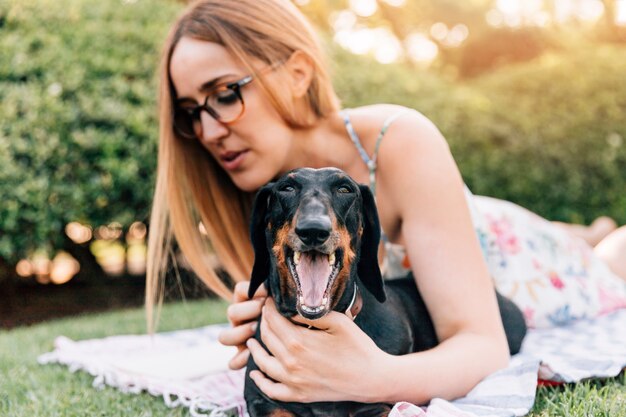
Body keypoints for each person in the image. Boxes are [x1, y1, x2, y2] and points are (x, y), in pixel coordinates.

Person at [146, 0, 626, 406]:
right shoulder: (270, 197)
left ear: (296, 74)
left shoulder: (397, 140)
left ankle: (595, 234)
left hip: (525, 261)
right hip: (465, 226)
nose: (208, 132)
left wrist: (371, 378)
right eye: (192, 113)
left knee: (611, 258)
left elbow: (485, 347)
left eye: (225, 94)